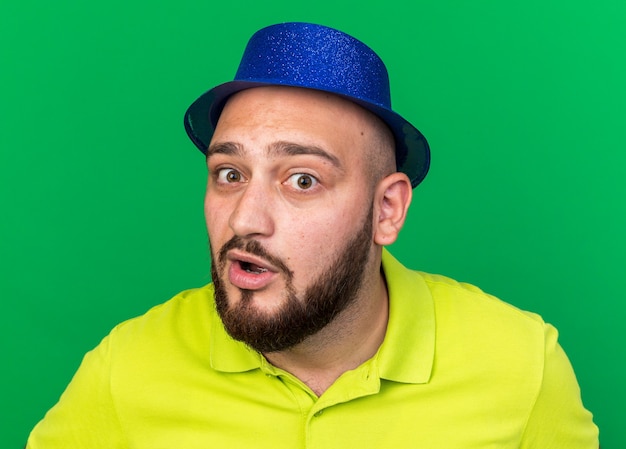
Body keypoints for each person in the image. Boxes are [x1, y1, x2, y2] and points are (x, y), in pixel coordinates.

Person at [26, 22, 599, 448]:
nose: (246, 219)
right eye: (230, 174)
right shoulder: (125, 369)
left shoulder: (523, 366)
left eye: (302, 179)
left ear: (386, 210)